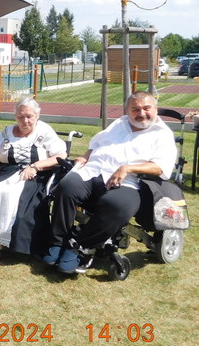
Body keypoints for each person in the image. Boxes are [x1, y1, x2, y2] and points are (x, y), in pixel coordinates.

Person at [45, 91, 177, 274]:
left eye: (147, 108)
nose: (141, 113)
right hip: (94, 171)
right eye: (135, 109)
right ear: (127, 111)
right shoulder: (120, 123)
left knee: (116, 204)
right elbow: (97, 143)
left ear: (155, 108)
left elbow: (161, 167)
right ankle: (58, 241)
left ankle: (81, 247)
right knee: (67, 186)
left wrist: (127, 168)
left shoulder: (162, 134)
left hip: (129, 182)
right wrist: (85, 156)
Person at [0, 97, 67, 268]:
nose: (25, 120)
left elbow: (61, 156)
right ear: (15, 117)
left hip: (34, 175)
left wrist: (36, 166)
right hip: (6, 172)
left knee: (12, 194)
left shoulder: (44, 131)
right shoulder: (7, 132)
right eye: (21, 117)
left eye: (29, 116)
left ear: (37, 116)